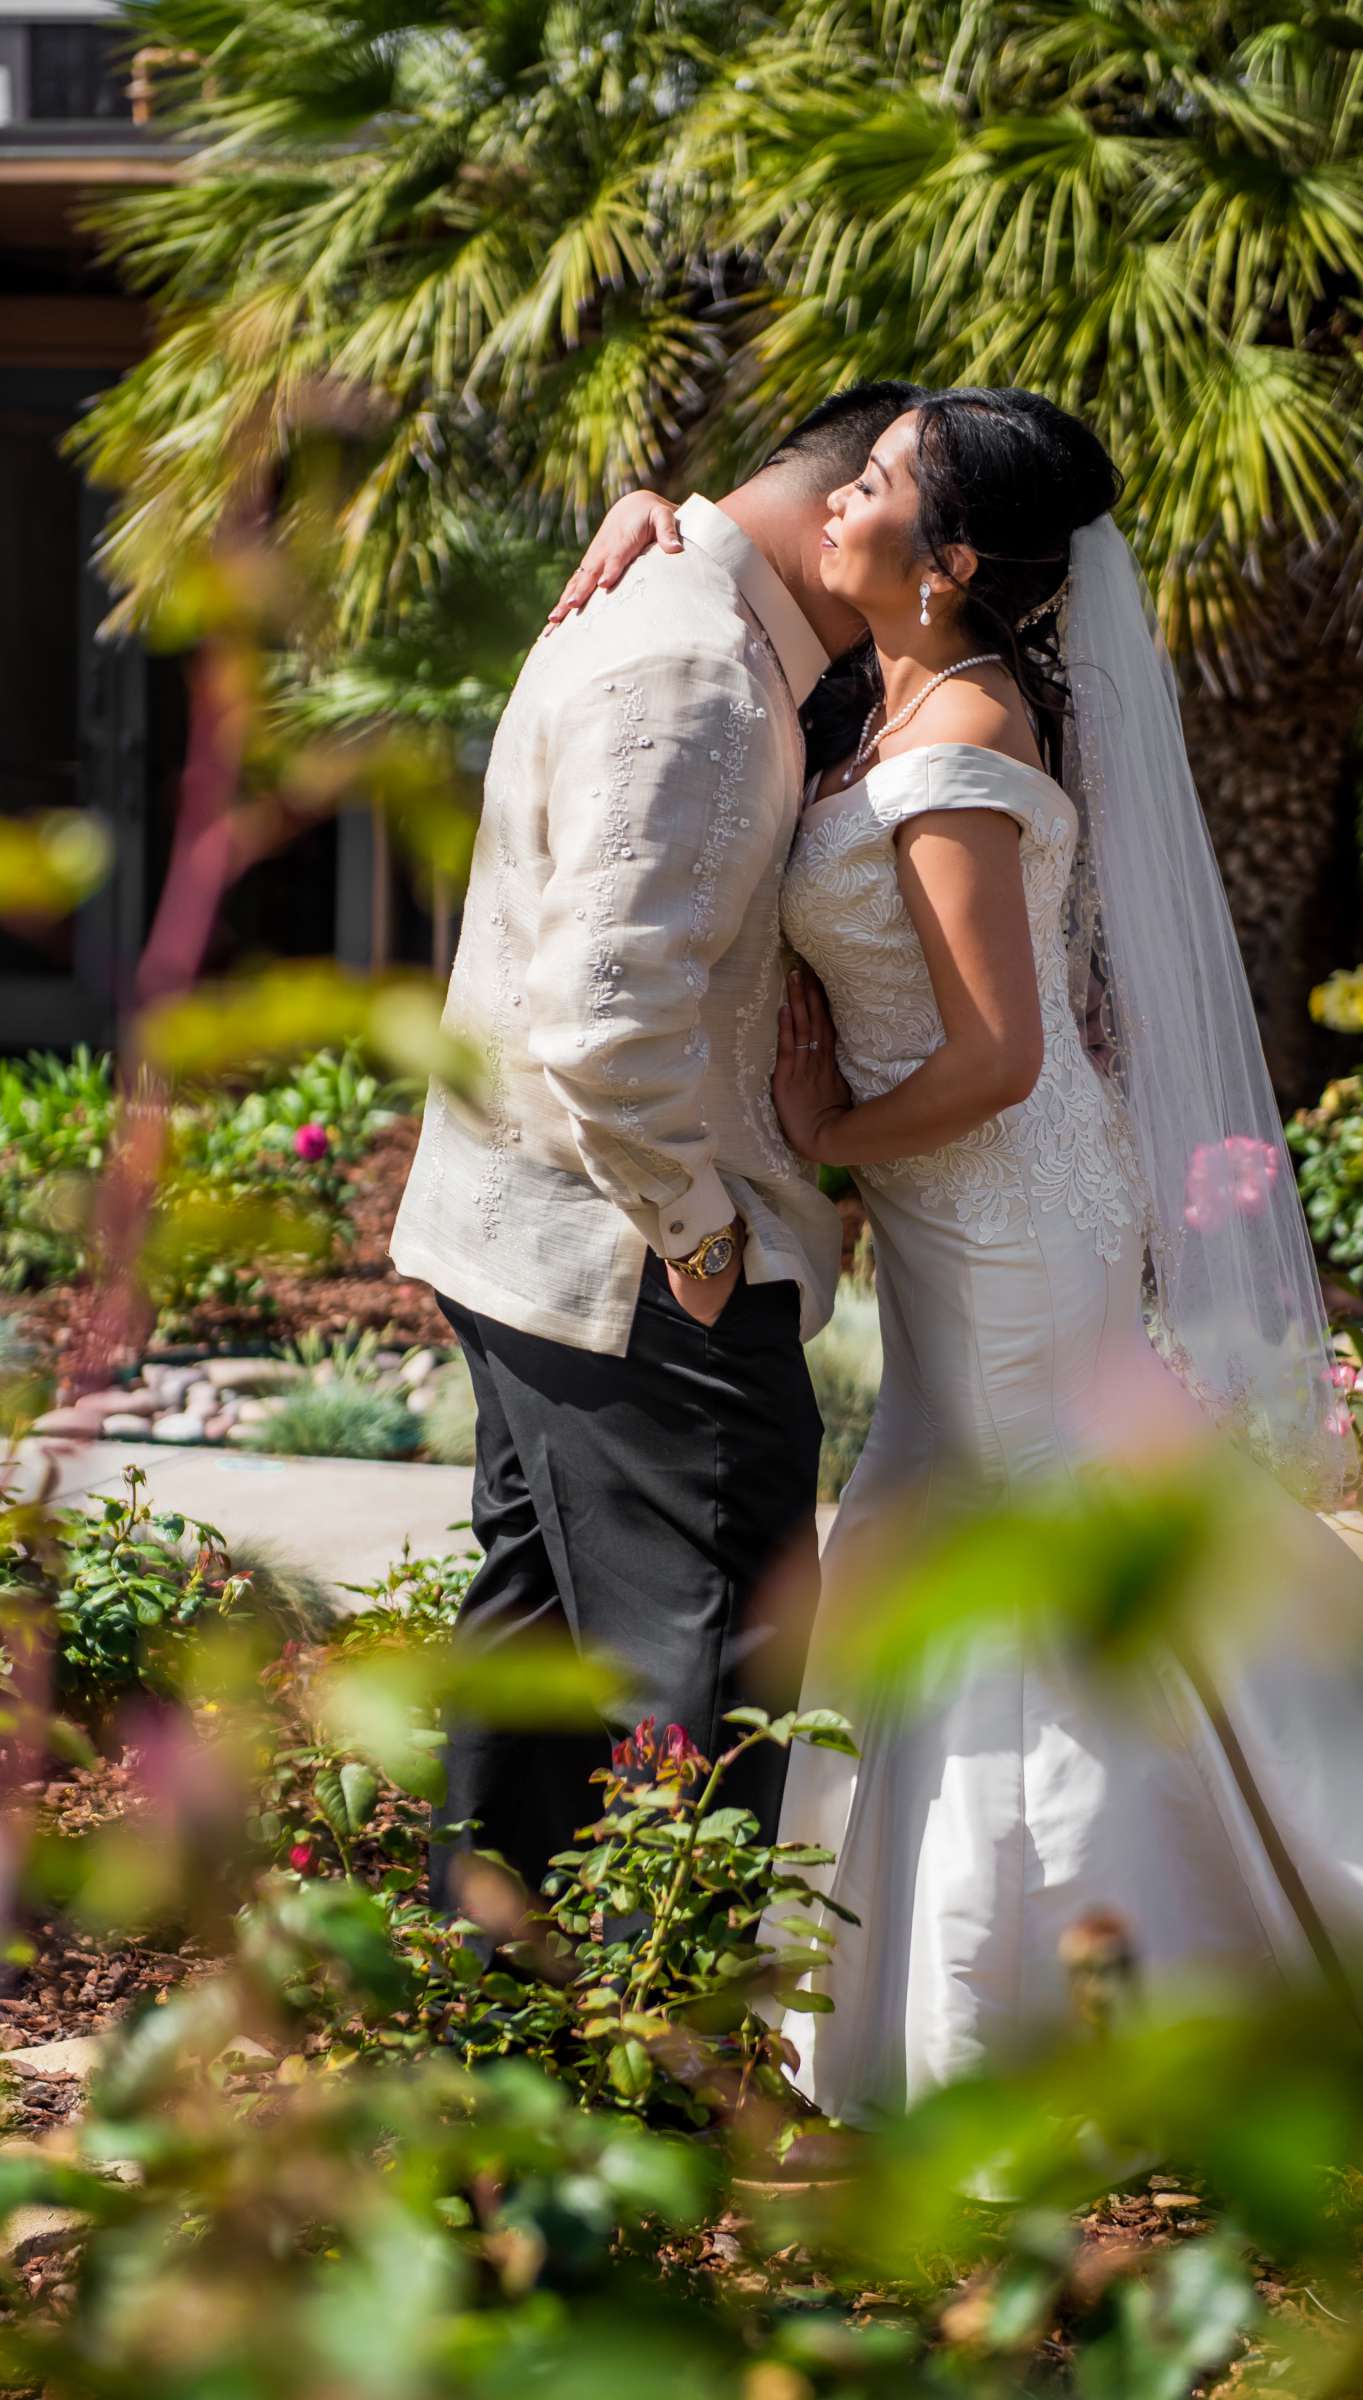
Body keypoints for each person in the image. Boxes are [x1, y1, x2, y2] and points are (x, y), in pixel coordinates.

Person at [558, 388, 1363, 2120]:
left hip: (1014, 1212)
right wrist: (649, 501)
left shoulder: (960, 745)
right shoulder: (887, 682)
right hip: (966, 1214)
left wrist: (829, 1141)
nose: (841, 496)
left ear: (953, 561)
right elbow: (749, 552)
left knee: (1023, 1582)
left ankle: (1057, 2025)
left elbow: (996, 1057)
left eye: (878, 483)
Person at [389, 381, 927, 1946]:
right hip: (631, 1262)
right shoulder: (694, 660)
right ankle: (662, 2092)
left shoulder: (692, 607)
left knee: (540, 1658)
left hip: (538, 1241)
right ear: (843, 512)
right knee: (704, 1684)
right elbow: (603, 1017)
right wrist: (699, 1241)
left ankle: (492, 2046)